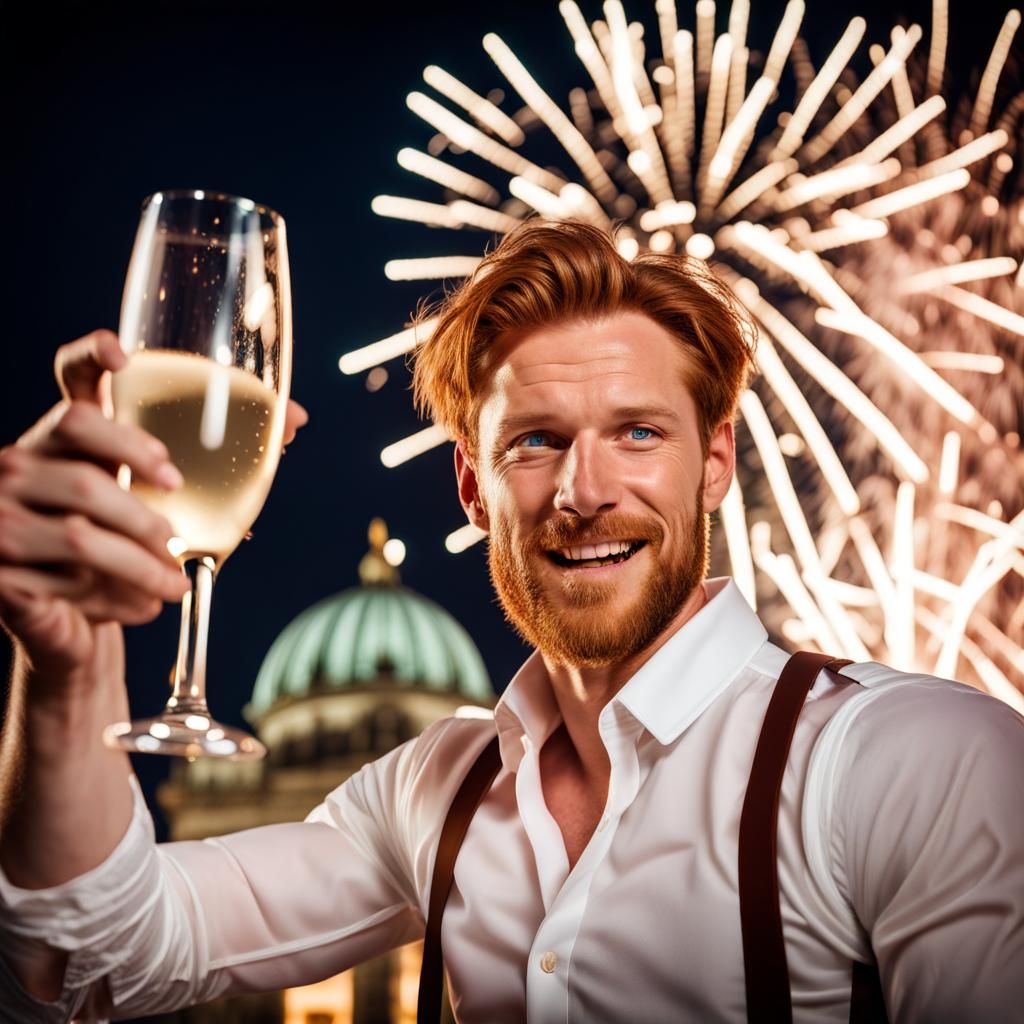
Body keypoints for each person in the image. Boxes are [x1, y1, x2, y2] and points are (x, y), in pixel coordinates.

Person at [0, 219, 1021, 1024]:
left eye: (635, 431)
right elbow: (87, 959)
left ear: (714, 462)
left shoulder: (918, 759)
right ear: (472, 487)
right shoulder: (431, 790)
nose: (583, 491)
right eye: (534, 441)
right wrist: (65, 662)